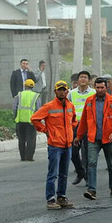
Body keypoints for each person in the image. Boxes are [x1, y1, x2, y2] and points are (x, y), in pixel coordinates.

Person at [75, 77, 112, 200]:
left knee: (111, 165)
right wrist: (79, 136)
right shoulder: (89, 101)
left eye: (102, 87)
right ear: (94, 88)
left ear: (106, 88)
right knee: (91, 164)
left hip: (109, 139)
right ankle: (92, 190)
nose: (100, 90)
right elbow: (84, 121)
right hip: (93, 139)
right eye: (97, 87)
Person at [31, 80, 77, 210]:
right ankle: (50, 199)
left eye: (64, 90)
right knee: (53, 173)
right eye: (59, 90)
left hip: (67, 144)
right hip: (55, 145)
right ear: (55, 91)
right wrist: (46, 130)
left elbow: (74, 120)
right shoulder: (49, 106)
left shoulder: (70, 106)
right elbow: (34, 119)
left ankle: (61, 197)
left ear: (67, 92)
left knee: (64, 174)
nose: (62, 92)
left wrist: (70, 130)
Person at [68, 70, 95, 185]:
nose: (83, 79)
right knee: (73, 153)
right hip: (75, 126)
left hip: (89, 126)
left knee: (87, 154)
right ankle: (80, 172)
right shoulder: (71, 93)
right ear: (77, 80)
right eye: (81, 77)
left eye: (85, 77)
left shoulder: (93, 93)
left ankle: (88, 178)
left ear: (88, 80)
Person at [13, 78, 41, 161]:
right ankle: (29, 157)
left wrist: (15, 117)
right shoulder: (36, 96)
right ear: (33, 86)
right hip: (31, 121)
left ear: (24, 86)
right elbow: (38, 109)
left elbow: (14, 107)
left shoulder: (19, 95)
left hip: (20, 120)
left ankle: (22, 157)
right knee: (31, 139)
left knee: (21, 139)